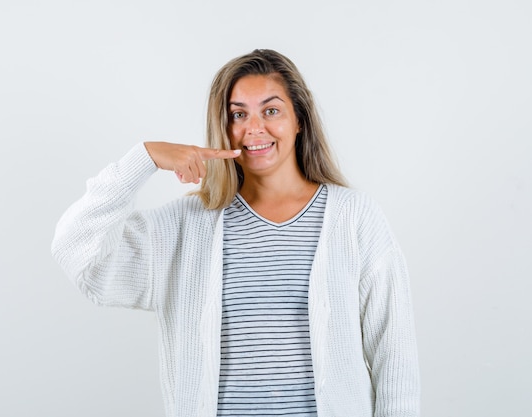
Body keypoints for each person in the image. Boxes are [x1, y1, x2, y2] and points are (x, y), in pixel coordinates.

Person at [51, 49, 420, 417]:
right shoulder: (186, 226)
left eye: (271, 110)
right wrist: (143, 158)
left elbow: (395, 354)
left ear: (299, 120)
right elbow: (79, 255)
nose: (254, 128)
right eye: (238, 114)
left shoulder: (354, 217)